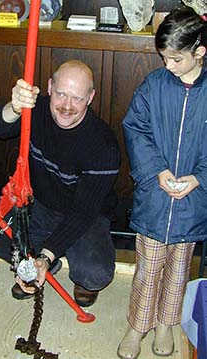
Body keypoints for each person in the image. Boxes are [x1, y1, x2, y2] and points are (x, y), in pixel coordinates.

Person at [0, 60, 121, 307]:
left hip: (84, 219)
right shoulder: (36, 110)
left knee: (94, 274)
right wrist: (14, 107)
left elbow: (83, 213)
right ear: (49, 87)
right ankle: (31, 259)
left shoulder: (103, 146)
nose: (67, 106)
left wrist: (46, 254)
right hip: (37, 207)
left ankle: (45, 257)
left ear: (90, 98)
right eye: (61, 94)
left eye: (77, 98)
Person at [117, 6, 207, 359]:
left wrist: (199, 178)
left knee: (179, 268)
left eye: (175, 59)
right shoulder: (154, 84)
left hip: (192, 200)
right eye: (163, 57)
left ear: (199, 52)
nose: (167, 65)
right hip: (156, 196)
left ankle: (167, 323)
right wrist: (157, 171)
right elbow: (135, 127)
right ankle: (137, 326)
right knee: (148, 269)